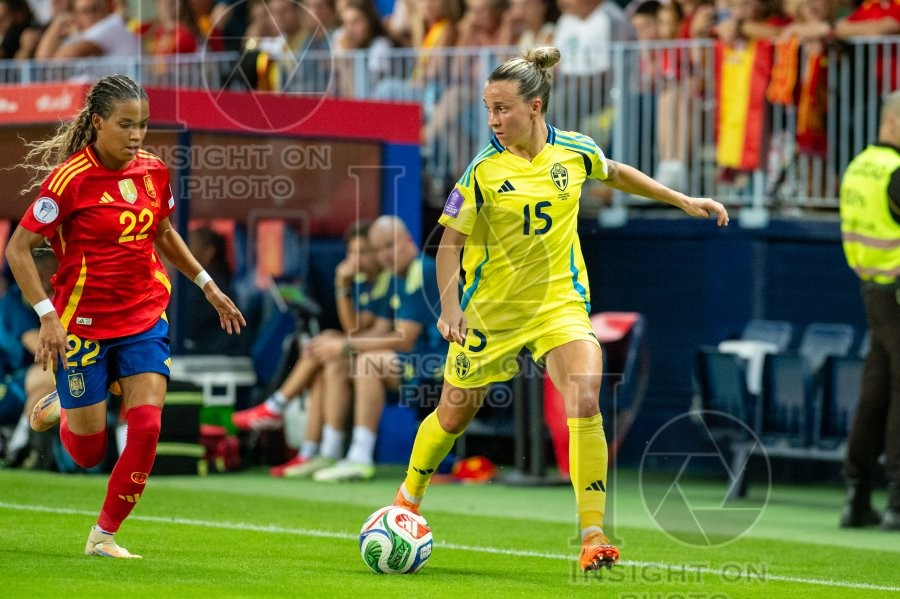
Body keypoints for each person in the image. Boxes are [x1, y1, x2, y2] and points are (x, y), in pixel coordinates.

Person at [388, 46, 729, 571]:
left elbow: (615, 173)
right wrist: (450, 307)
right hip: (492, 311)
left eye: (502, 108)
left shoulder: (574, 150)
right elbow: (448, 246)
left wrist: (680, 199)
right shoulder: (482, 171)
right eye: (488, 109)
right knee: (453, 414)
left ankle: (593, 535)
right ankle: (407, 500)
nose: (493, 120)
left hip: (559, 304)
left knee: (586, 397)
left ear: (535, 106)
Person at [5, 74, 246, 558]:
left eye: (143, 125)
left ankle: (104, 536)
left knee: (148, 427)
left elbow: (164, 233)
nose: (136, 135)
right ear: (97, 123)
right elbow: (17, 249)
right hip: (83, 325)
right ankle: (66, 407)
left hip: (143, 317)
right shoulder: (70, 180)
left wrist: (208, 286)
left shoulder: (153, 171)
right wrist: (48, 317)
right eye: (125, 124)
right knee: (88, 452)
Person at [230, 220, 383, 478]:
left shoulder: (387, 282)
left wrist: (341, 292)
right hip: (367, 352)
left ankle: (277, 408)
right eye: (351, 252)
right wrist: (343, 289)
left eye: (363, 252)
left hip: (398, 360)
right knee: (326, 359)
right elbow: (355, 329)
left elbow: (361, 332)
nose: (355, 259)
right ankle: (313, 453)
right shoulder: (365, 285)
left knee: (331, 348)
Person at [308, 215, 445, 482]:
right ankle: (329, 452)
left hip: (443, 364)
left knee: (368, 363)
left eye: (390, 246)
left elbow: (404, 339)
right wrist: (343, 346)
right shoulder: (395, 277)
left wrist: (347, 345)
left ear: (408, 240)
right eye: (379, 249)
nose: (385, 255)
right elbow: (373, 331)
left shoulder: (423, 271)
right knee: (341, 362)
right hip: (413, 363)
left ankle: (360, 457)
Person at [838, 90, 900, 531]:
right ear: (893, 122)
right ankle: (898, 500)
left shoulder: (859, 166)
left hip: (872, 288)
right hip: (897, 289)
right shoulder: (896, 171)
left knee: (876, 389)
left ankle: (856, 496)